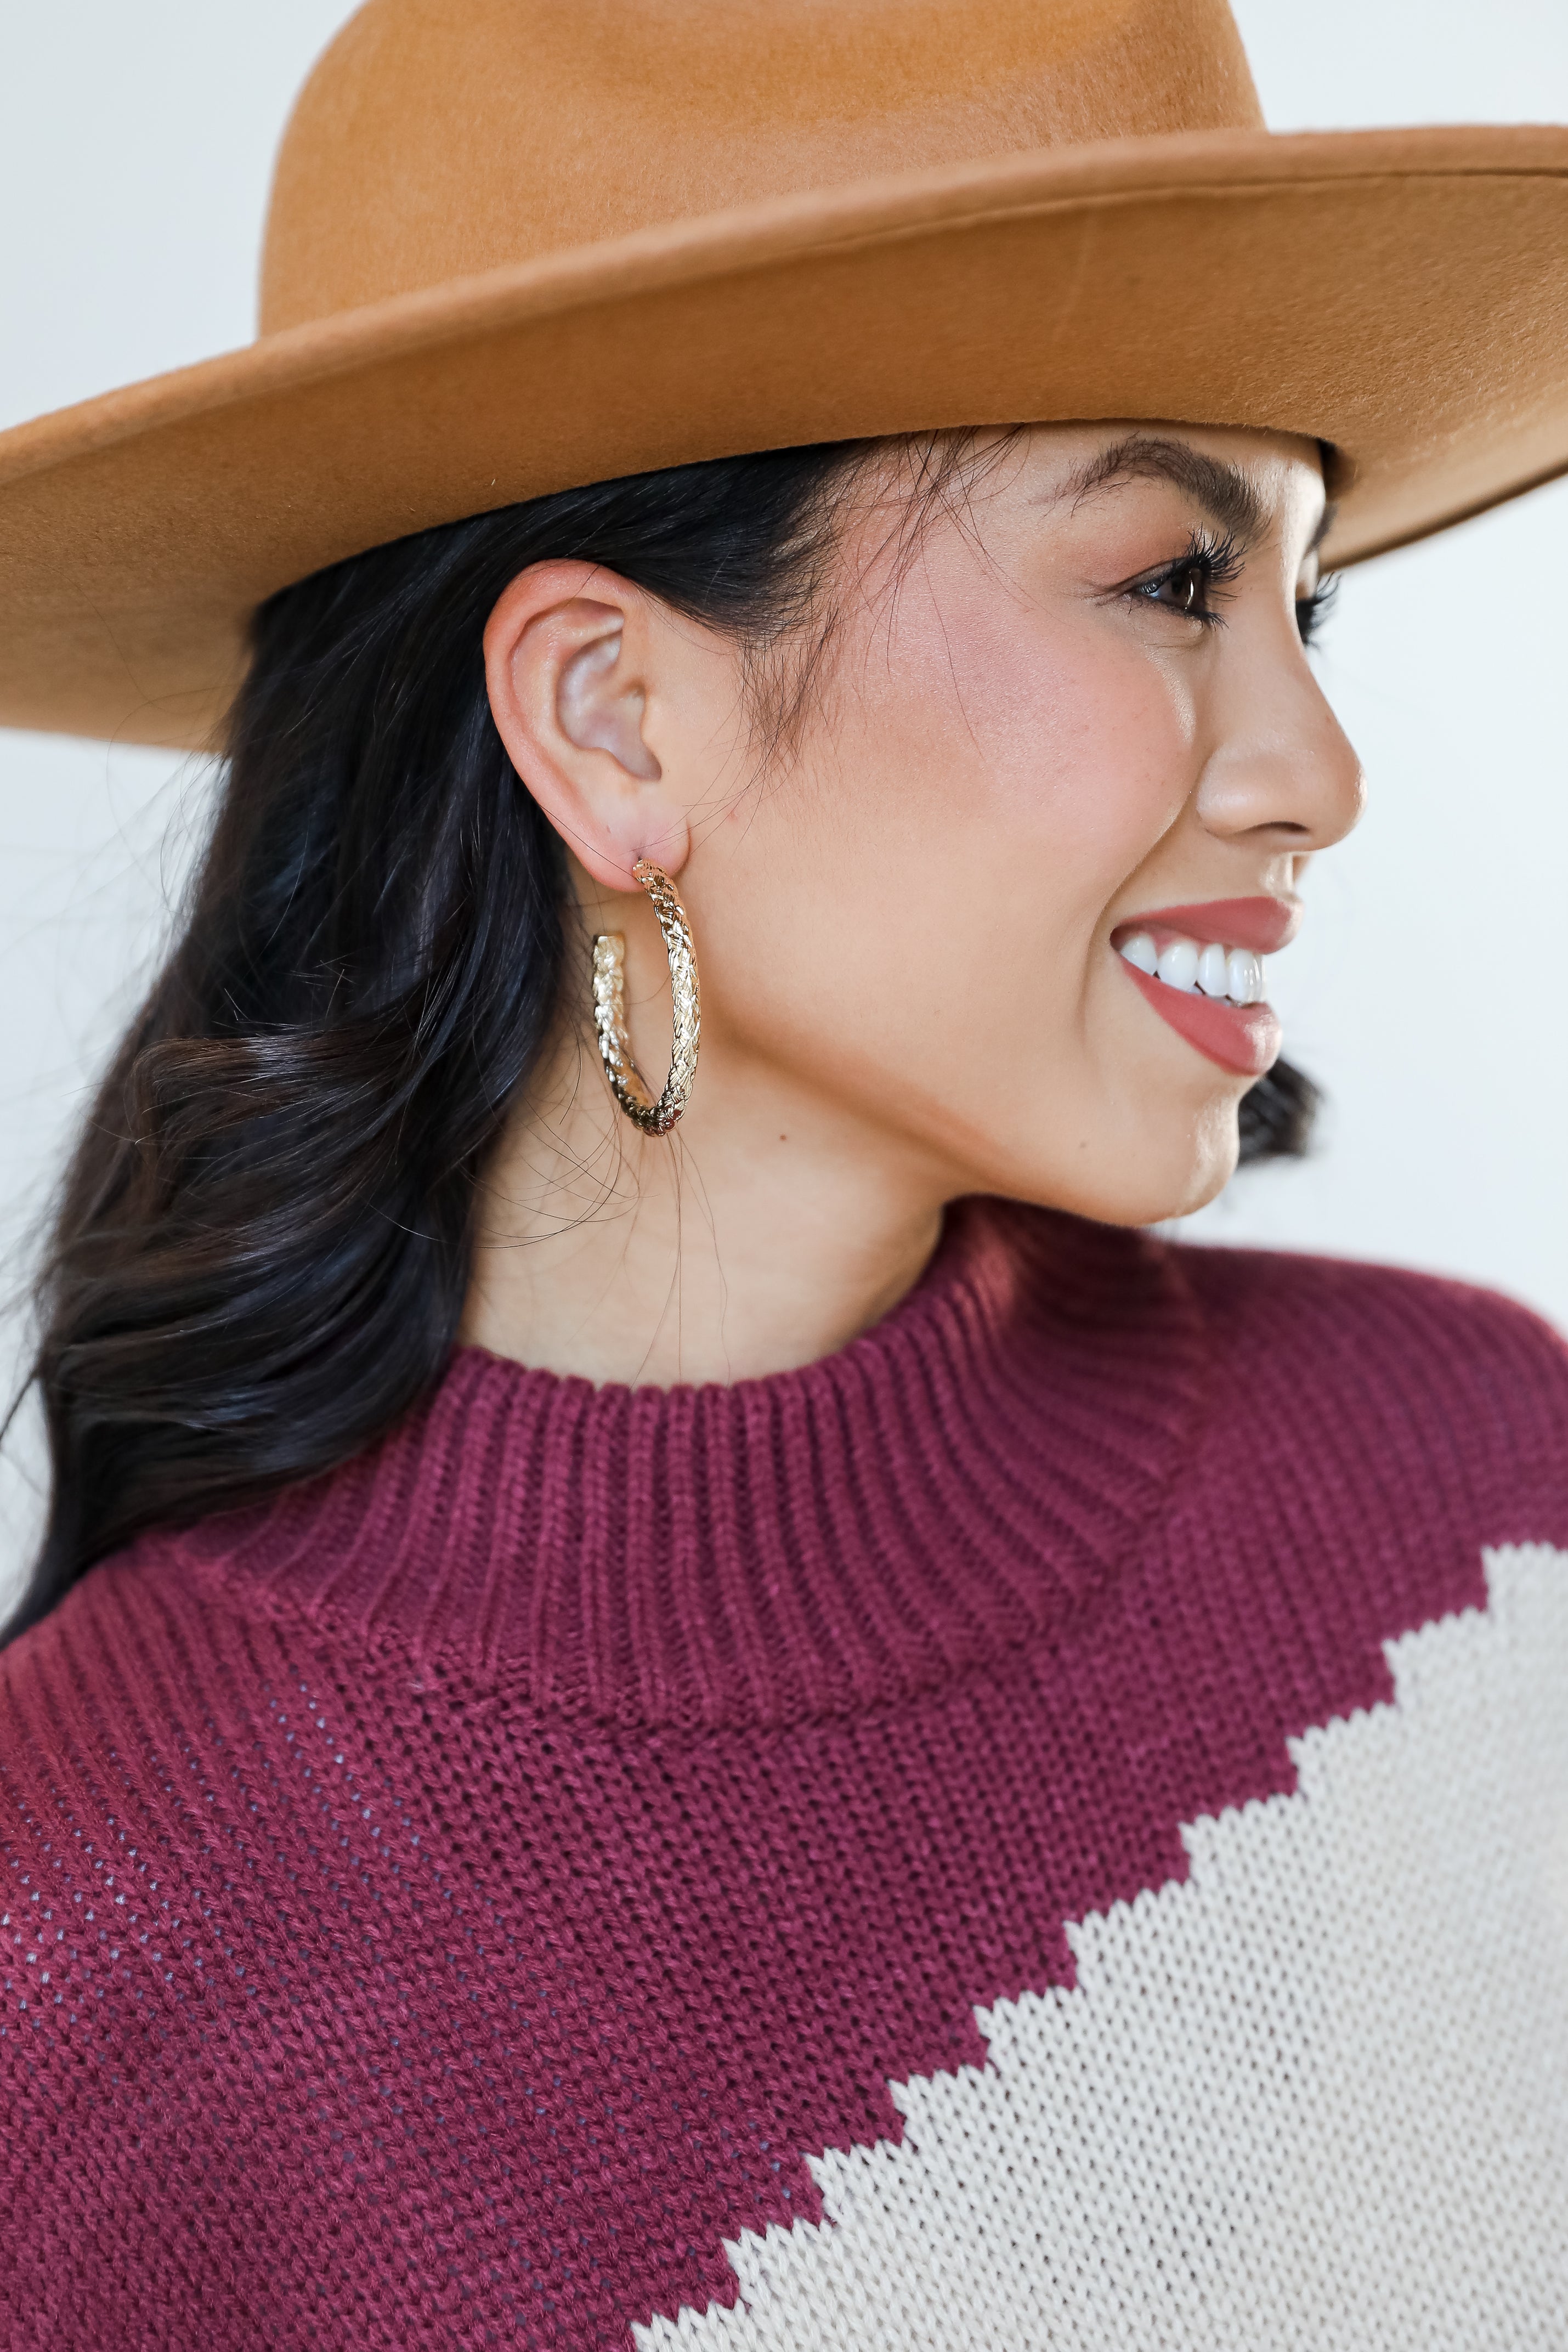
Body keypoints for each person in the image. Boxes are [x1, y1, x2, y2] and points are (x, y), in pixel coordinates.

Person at [2, 1, 1566, 2344]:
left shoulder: (1485, 1510)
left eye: (1301, 603)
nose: (1315, 768)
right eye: (1166, 579)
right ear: (619, 720)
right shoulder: (86, 1950)